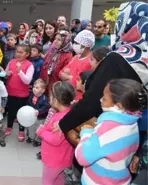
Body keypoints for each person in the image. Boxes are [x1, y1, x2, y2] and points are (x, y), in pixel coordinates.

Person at [54, 2, 148, 181]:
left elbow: (92, 100)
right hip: (134, 134)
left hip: (106, 130)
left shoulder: (119, 58)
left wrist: (64, 124)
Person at [76, 79, 146, 185]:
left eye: (104, 98)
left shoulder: (107, 128)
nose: (100, 100)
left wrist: (85, 133)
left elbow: (82, 157)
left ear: (118, 106)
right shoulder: (133, 123)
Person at [36, 81, 75, 185]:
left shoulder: (60, 119)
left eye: (50, 96)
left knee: (47, 181)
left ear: (56, 100)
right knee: (58, 180)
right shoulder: (68, 113)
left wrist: (41, 132)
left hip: (54, 159)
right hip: (62, 158)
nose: (48, 97)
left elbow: (56, 139)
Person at [5, 44, 34, 141]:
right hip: (10, 92)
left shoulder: (29, 65)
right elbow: (5, 74)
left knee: (22, 113)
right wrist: (7, 74)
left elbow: (28, 81)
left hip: (22, 95)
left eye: (21, 52)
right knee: (11, 111)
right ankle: (9, 127)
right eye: (17, 51)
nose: (18, 54)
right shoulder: (11, 62)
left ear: (27, 54)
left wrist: (20, 71)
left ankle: (21, 131)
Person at [26, 79, 50, 145]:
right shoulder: (31, 95)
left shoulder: (45, 99)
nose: (34, 89)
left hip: (41, 117)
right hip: (32, 116)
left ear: (43, 90)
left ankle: (38, 140)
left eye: (37, 88)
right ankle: (31, 137)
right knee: (31, 127)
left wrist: (38, 111)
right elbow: (29, 103)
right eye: (34, 87)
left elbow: (45, 107)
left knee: (39, 129)